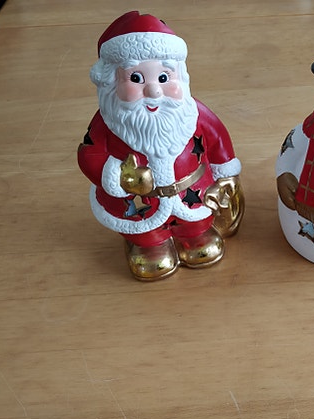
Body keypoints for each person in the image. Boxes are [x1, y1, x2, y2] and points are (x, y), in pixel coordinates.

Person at [78, 11, 244, 281]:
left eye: (164, 78)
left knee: (197, 225)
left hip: (194, 194)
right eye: (136, 79)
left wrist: (226, 174)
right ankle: (148, 245)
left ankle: (195, 235)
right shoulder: (108, 123)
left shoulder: (192, 113)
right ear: (111, 82)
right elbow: (89, 154)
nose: (154, 91)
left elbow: (218, 139)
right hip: (137, 205)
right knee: (144, 233)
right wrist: (118, 177)